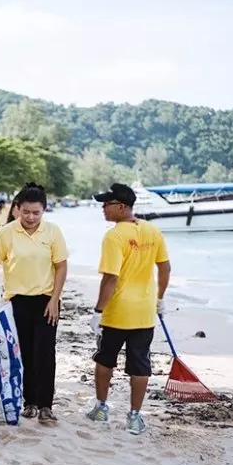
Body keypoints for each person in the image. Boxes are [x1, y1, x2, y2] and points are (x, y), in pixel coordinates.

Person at [86, 183, 171, 435]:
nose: (103, 208)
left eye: (107, 204)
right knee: (140, 364)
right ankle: (134, 416)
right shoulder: (152, 230)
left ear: (122, 207)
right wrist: (160, 299)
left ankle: (101, 408)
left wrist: (98, 311)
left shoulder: (114, 236)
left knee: (105, 359)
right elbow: (165, 268)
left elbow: (110, 278)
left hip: (117, 312)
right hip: (144, 312)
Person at [0, 183, 68, 424]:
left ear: (44, 210)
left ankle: (46, 405)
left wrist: (55, 299)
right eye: (26, 212)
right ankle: (29, 402)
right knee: (23, 354)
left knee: (45, 353)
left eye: (36, 213)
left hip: (46, 301)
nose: (31, 217)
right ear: (17, 209)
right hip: (16, 302)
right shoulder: (6, 233)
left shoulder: (53, 232)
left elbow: (61, 266)